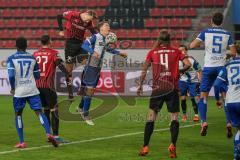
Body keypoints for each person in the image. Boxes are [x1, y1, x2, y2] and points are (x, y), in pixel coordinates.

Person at [137, 30, 191, 158]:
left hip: (158, 88)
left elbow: (144, 69)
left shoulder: (152, 52)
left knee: (151, 117)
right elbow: (188, 64)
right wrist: (180, 71)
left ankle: (145, 146)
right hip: (172, 88)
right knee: (174, 118)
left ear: (159, 40)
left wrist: (140, 85)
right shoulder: (177, 51)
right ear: (169, 40)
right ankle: (172, 145)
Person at [190, 12, 237, 136]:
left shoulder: (206, 32)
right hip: (221, 68)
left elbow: (192, 45)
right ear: (222, 21)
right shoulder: (227, 34)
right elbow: (233, 52)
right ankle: (228, 123)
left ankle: (204, 122)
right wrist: (225, 54)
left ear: (212, 21)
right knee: (225, 96)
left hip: (208, 67)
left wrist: (202, 43)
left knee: (203, 96)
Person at [7, 37, 58, 148]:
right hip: (32, 89)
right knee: (39, 112)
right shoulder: (32, 57)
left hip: (19, 91)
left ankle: (22, 142)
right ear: (27, 46)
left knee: (18, 115)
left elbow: (11, 76)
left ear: (16, 46)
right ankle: (49, 133)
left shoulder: (11, 58)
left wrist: (12, 88)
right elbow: (37, 76)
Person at [78, 21, 127, 126]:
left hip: (97, 68)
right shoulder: (95, 37)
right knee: (90, 91)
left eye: (108, 26)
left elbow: (107, 49)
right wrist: (92, 52)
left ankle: (80, 108)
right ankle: (85, 114)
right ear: (101, 28)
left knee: (90, 91)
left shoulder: (105, 39)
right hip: (91, 66)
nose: (108, 27)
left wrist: (119, 53)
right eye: (106, 25)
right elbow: (84, 45)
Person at [33, 35, 70, 143]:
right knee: (54, 110)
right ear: (49, 41)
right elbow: (60, 65)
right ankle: (56, 136)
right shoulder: (54, 53)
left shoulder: (35, 54)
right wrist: (68, 75)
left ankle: (48, 134)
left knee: (46, 110)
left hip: (38, 86)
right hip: (49, 86)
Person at [57, 10, 97, 99]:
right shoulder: (72, 14)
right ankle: (70, 94)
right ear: (86, 14)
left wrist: (101, 37)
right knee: (68, 71)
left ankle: (82, 88)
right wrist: (60, 30)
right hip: (70, 44)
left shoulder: (89, 22)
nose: (87, 22)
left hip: (80, 44)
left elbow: (94, 31)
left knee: (88, 64)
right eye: (87, 20)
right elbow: (59, 16)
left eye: (89, 21)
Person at [214, 55, 240, 159]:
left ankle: (236, 156)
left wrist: (217, 99)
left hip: (231, 101)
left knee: (239, 129)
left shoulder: (228, 65)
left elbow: (216, 84)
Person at [178, 45, 202, 122]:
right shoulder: (177, 61)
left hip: (193, 82)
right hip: (182, 81)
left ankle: (196, 115)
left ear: (186, 51)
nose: (181, 52)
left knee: (193, 98)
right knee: (183, 98)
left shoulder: (192, 60)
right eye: (179, 51)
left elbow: (199, 70)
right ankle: (184, 115)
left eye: (182, 50)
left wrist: (200, 81)